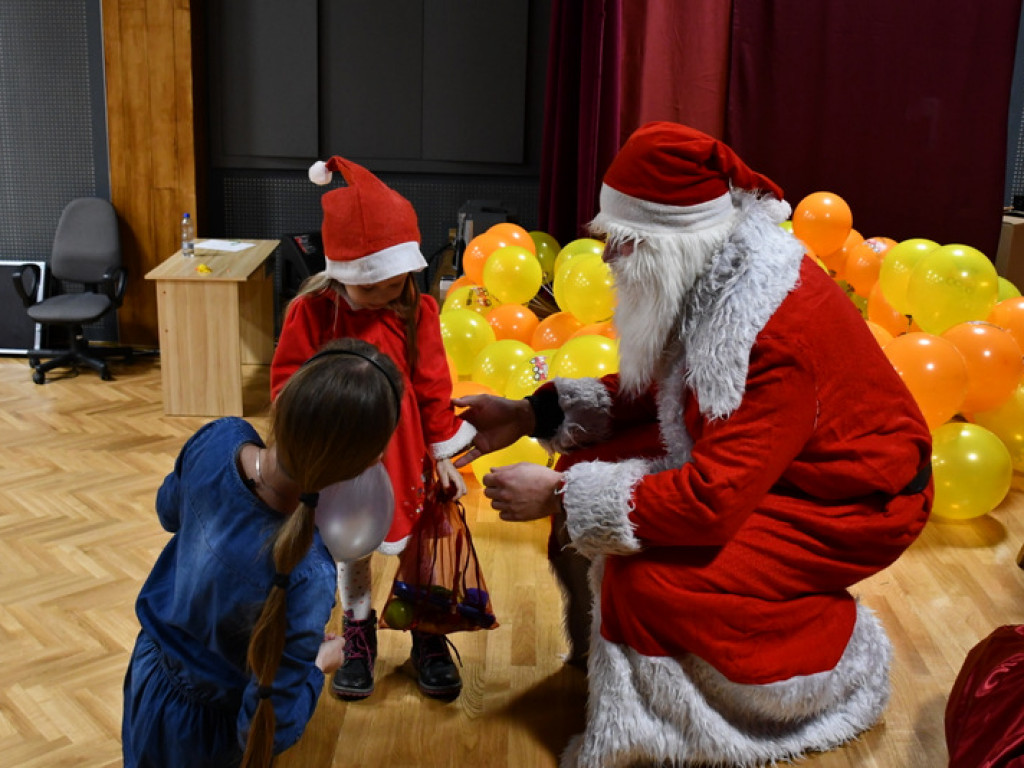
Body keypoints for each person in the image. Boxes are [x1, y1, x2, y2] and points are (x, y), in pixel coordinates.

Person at [454, 121, 934, 767]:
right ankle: (608, 663)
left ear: (670, 243)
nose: (605, 258)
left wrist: (562, 494)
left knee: (648, 580)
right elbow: (656, 385)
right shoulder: (710, 271)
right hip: (774, 461)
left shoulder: (772, 332)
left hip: (852, 502)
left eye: (622, 242)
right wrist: (527, 413)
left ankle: (832, 661)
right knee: (586, 464)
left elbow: (711, 503)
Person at [122, 338, 404, 768]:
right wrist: (316, 665)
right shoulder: (307, 573)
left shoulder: (220, 439)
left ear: (284, 399)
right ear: (369, 464)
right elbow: (266, 727)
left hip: (148, 676)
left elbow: (168, 511)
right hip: (207, 734)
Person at [271, 155, 476, 702]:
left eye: (396, 285)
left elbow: (434, 386)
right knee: (351, 549)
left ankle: (427, 634)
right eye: (373, 290)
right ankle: (359, 633)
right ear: (343, 275)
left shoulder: (419, 309)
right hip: (345, 456)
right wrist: (309, 448)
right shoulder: (311, 311)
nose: (387, 297)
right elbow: (286, 387)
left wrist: (444, 456)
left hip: (407, 451)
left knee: (422, 544)